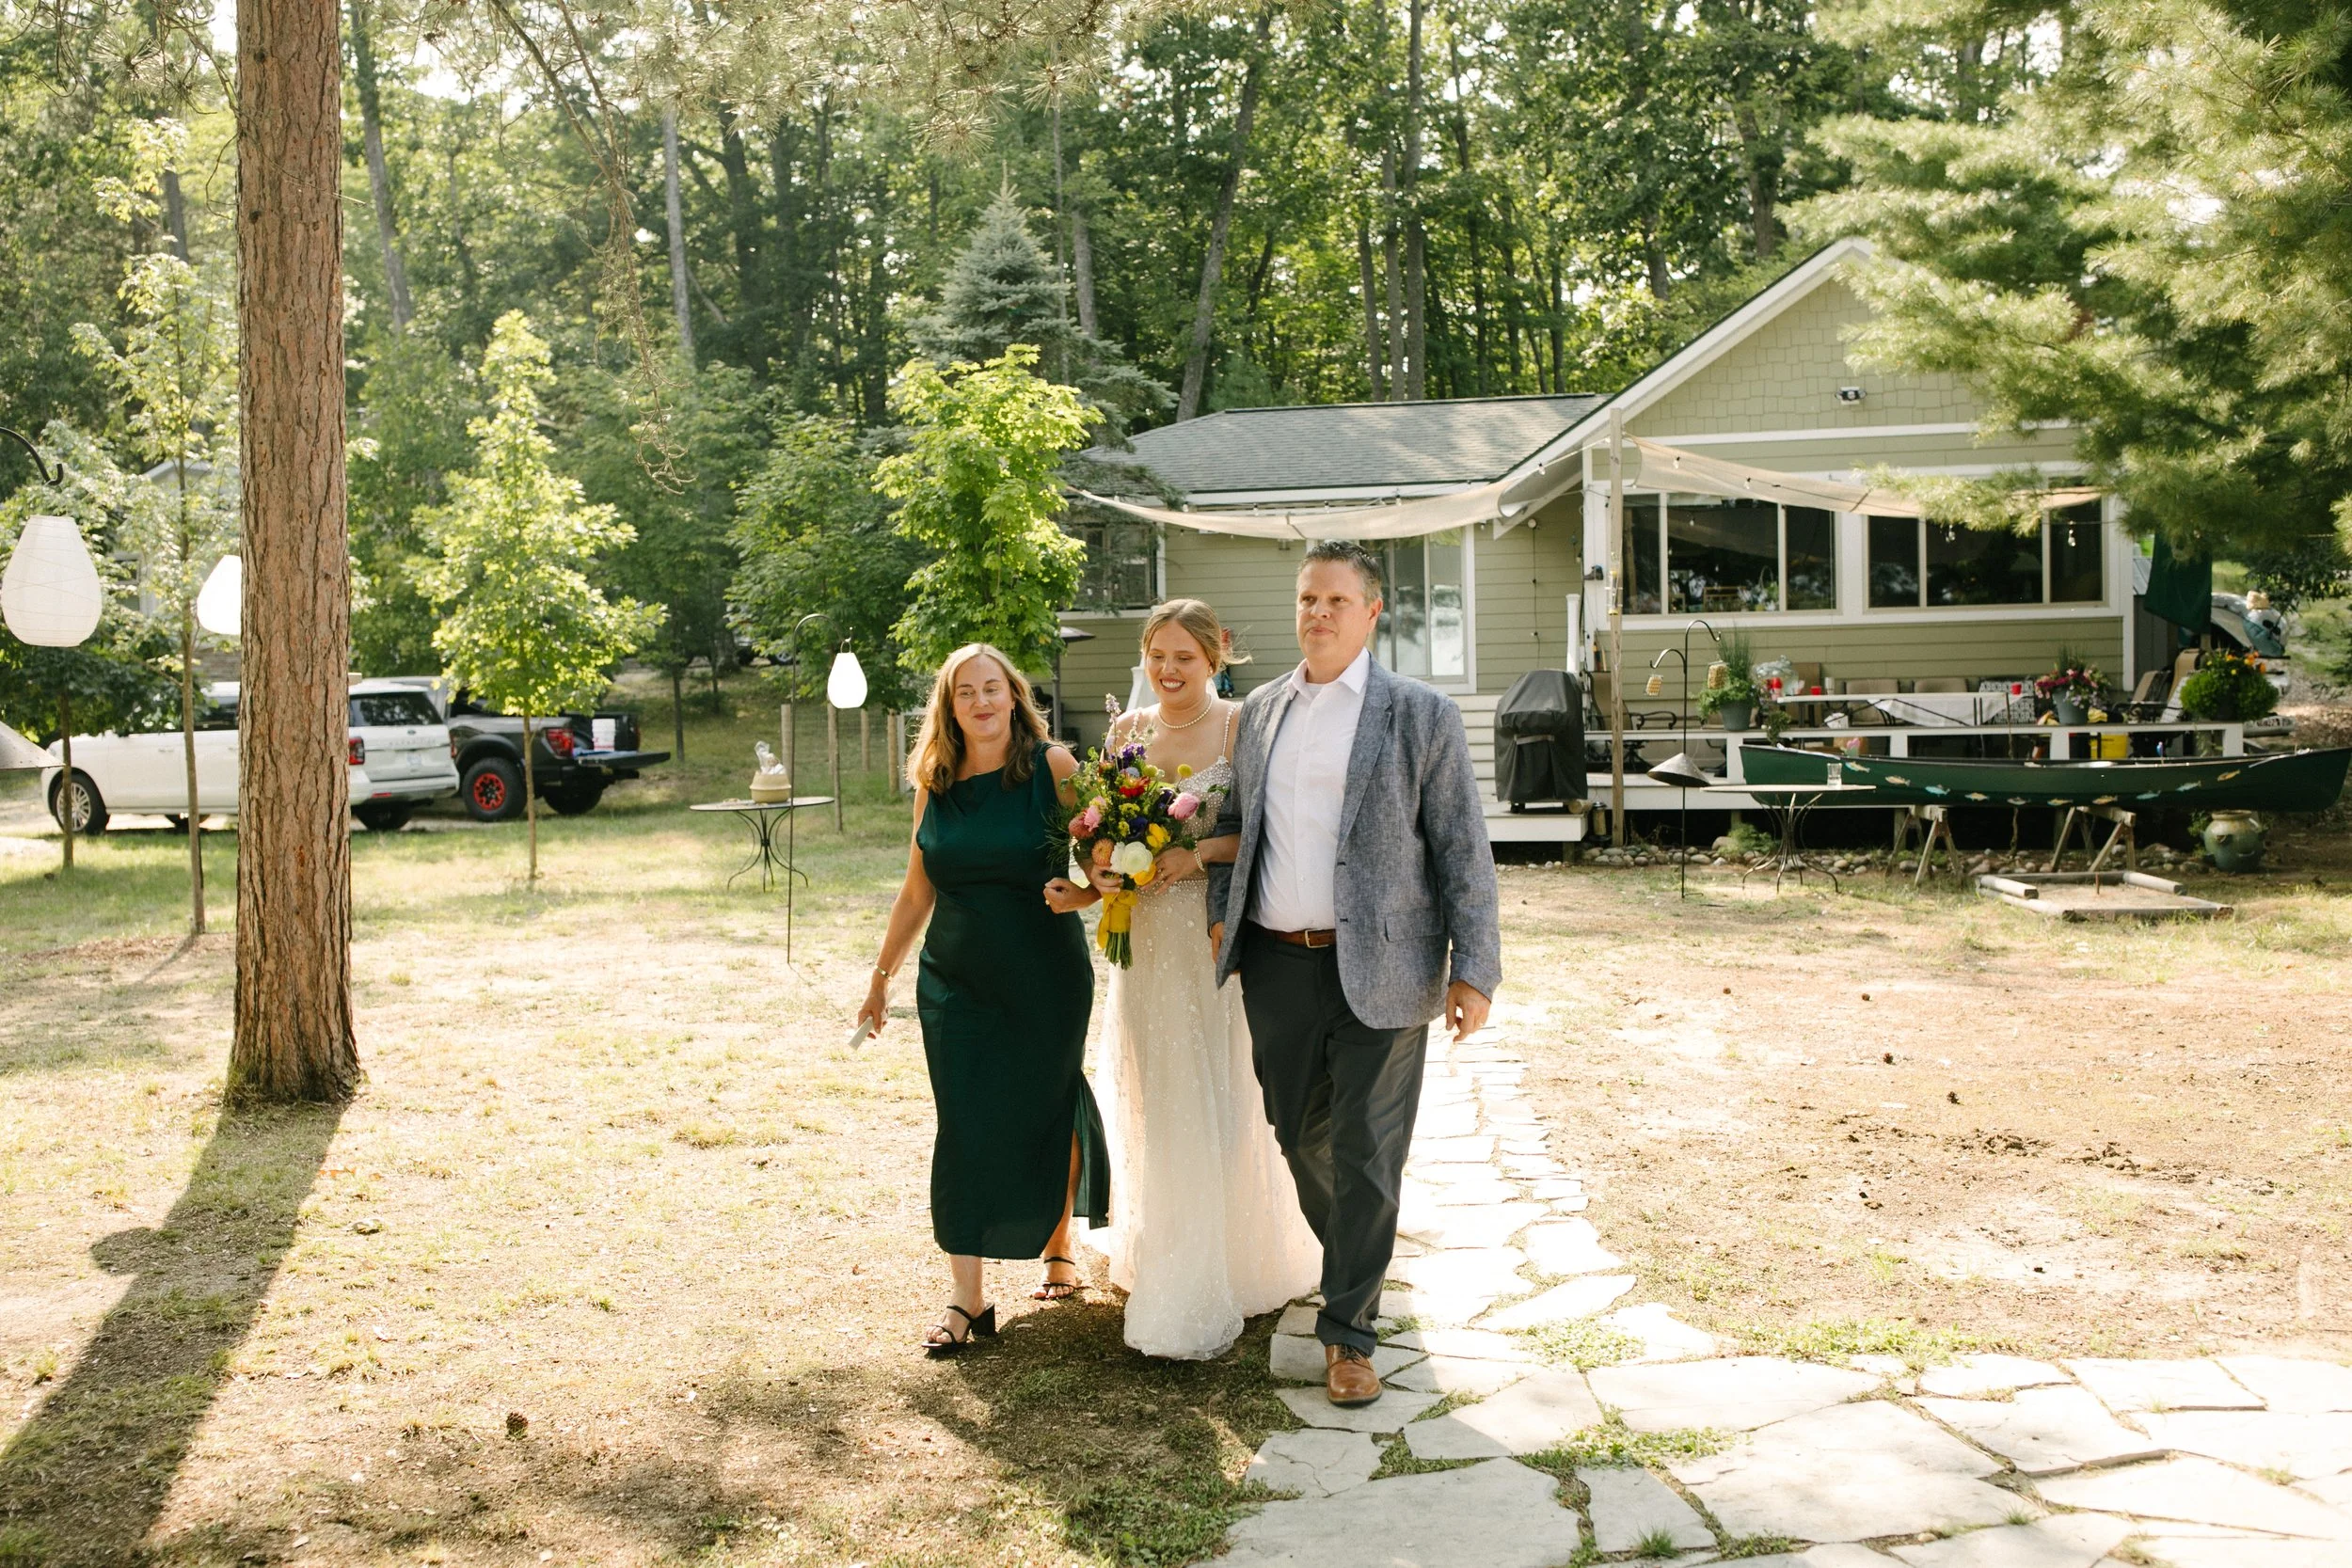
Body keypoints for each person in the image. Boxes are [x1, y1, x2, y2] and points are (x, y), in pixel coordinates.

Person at [1204, 540, 1502, 1408]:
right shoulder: (1260, 711)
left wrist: (1473, 968)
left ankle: (1350, 1333)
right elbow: (1233, 816)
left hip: (1388, 964)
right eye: (1306, 599)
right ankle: (1358, 1265)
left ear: (1373, 613)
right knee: (1300, 1135)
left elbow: (1462, 849)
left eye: (1336, 600)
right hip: (1275, 961)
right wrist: (1224, 903)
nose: (1318, 614)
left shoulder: (1421, 714)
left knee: (1371, 1154)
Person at [1073, 600, 1319, 1359]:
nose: (1170, 670)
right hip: (1142, 937)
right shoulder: (1125, 732)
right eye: (1158, 655)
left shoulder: (1243, 725)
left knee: (1219, 1085)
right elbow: (1093, 829)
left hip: (1210, 933)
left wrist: (1197, 855)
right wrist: (1101, 865)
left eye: (1185, 656)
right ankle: (1167, 1244)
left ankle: (1235, 1257)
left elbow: (1268, 827)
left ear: (1216, 657)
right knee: (1157, 1086)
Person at [856, 643, 1110, 1355]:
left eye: (991, 687)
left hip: (1043, 975)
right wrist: (880, 979)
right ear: (949, 705)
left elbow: (1110, 865)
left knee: (1045, 1100)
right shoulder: (933, 780)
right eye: (964, 692)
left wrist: (1084, 892)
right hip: (955, 981)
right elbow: (917, 890)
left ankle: (1058, 1242)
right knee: (962, 1121)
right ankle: (968, 1296)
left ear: (1013, 694)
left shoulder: (1054, 768)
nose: (980, 701)